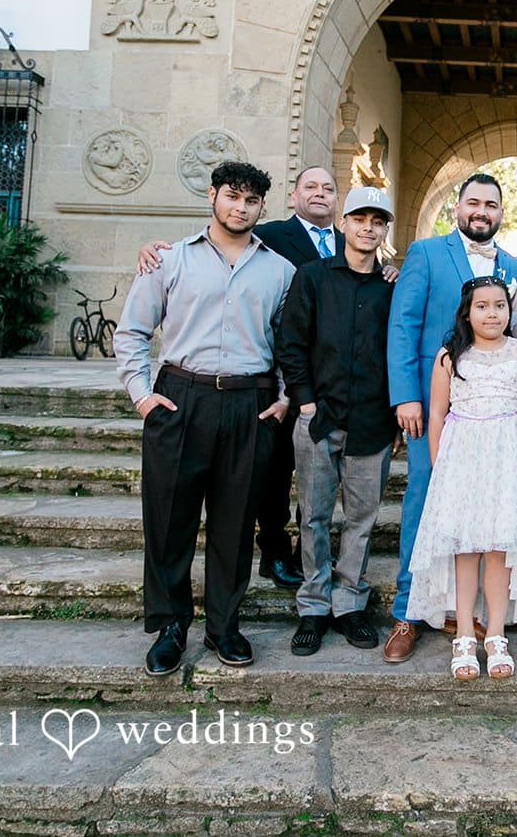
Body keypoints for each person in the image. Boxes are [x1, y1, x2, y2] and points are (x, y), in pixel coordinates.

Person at [137, 166, 368, 592]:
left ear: (339, 202)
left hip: (329, 381)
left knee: (312, 480)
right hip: (263, 382)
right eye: (310, 187)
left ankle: (302, 559)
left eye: (328, 188)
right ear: (292, 195)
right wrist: (153, 249)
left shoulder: (352, 242)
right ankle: (275, 551)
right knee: (274, 474)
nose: (320, 194)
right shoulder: (272, 237)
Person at [113, 161, 294, 675]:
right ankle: (170, 626)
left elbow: (288, 346)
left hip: (248, 403)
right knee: (169, 522)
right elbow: (132, 332)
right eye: (232, 196)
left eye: (251, 201)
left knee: (235, 525)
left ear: (262, 208)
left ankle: (224, 626)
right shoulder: (169, 261)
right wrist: (142, 395)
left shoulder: (279, 271)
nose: (241, 207)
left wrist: (281, 399)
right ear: (213, 196)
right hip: (180, 398)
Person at [384, 173, 517, 662]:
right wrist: (407, 397)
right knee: (425, 504)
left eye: (491, 203)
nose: (481, 211)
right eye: (473, 202)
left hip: (496, 418)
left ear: (501, 213)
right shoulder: (424, 253)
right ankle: (408, 613)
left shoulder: (514, 267)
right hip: (437, 408)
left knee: (488, 515)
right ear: (458, 209)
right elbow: (403, 323)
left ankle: (482, 618)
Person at [275, 185, 398, 657]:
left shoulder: (390, 286)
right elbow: (291, 342)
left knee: (362, 519)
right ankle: (312, 606)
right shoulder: (311, 277)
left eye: (377, 221)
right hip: (318, 418)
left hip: (371, 421)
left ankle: (348, 604)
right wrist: (304, 402)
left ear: (385, 230)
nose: (368, 227)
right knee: (314, 516)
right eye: (359, 219)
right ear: (342, 224)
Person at [404, 276, 517, 680]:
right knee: (465, 547)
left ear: (509, 310)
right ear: (467, 312)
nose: (491, 313)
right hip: (463, 458)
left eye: (499, 305)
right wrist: (438, 467)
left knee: (500, 546)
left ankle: (496, 632)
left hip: (509, 457)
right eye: (482, 306)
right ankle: (465, 631)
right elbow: (436, 414)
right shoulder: (450, 356)